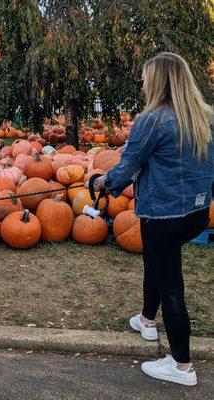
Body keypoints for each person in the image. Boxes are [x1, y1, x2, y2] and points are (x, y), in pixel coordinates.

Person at [91, 52, 213, 386]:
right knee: (156, 263)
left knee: (172, 287)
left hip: (164, 214)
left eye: (145, 77)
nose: (142, 83)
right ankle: (146, 319)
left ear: (158, 80)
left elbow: (128, 167)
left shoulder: (153, 119)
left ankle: (182, 366)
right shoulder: (204, 117)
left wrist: (103, 182)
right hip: (197, 214)